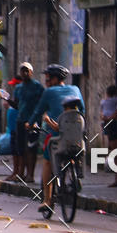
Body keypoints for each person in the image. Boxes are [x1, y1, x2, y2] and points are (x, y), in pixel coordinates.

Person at [27, 64, 84, 214]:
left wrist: (30, 123)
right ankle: (76, 173)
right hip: (77, 136)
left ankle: (47, 199)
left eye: (48, 78)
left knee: (47, 163)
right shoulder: (75, 89)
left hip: (57, 138)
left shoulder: (49, 92)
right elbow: (82, 111)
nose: (46, 81)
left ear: (55, 79)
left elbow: (38, 111)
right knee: (76, 152)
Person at [8, 62, 44, 182]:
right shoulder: (18, 88)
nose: (24, 73)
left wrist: (37, 118)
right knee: (21, 148)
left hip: (33, 121)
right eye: (22, 71)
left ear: (31, 72)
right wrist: (7, 100)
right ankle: (21, 173)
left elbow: (42, 103)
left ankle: (30, 175)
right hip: (21, 120)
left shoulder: (37, 86)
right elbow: (17, 105)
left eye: (27, 71)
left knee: (31, 148)